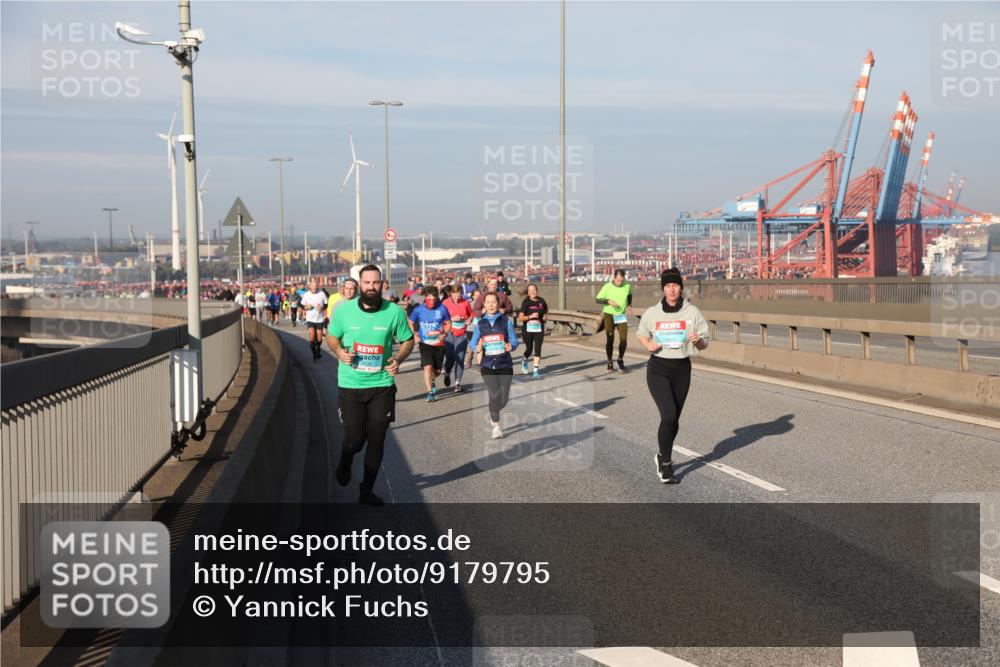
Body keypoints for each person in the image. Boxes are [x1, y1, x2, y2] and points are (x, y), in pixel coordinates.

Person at [327, 265, 414, 506]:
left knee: (377, 441)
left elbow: (407, 340)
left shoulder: (394, 312)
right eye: (367, 283)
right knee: (355, 441)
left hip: (382, 385)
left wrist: (397, 358)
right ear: (359, 284)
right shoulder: (344, 312)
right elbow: (331, 336)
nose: (371, 287)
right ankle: (346, 459)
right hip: (351, 386)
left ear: (382, 284)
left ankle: (366, 491)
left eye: (376, 283)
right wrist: (338, 351)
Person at [636, 268, 710, 484]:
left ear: (680, 288)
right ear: (662, 288)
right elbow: (641, 334)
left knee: (674, 418)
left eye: (675, 285)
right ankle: (666, 464)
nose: (672, 289)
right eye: (668, 286)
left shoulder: (692, 312)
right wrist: (649, 344)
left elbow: (704, 344)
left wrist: (697, 340)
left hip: (682, 369)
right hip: (658, 368)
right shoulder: (653, 312)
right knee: (668, 415)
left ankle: (661, 455)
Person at [470, 292, 519, 439]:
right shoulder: (480, 323)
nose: (491, 304)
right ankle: (496, 426)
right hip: (487, 365)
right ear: (484, 305)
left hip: (505, 364)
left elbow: (515, 341)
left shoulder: (506, 321)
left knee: (503, 399)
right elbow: (473, 342)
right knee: (494, 394)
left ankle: (493, 413)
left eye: (493, 302)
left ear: (498, 304)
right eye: (488, 302)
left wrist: (512, 346)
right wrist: (476, 348)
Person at [408, 285, 452, 402]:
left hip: (439, 343)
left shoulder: (442, 308)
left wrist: (445, 334)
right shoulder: (418, 310)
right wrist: (415, 334)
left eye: (434, 299)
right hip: (425, 343)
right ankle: (429, 392)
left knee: (437, 371)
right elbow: (410, 322)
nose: (431, 301)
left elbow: (448, 323)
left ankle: (433, 380)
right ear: (425, 298)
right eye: (429, 299)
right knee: (427, 367)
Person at [596, 269, 633, 372]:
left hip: (620, 315)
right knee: (610, 338)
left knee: (624, 339)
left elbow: (629, 294)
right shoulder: (607, 286)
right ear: (614, 278)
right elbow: (597, 299)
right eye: (618, 280)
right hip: (609, 314)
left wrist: (629, 305)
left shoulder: (627, 285)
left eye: (621, 280)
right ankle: (609, 362)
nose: (619, 283)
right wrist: (608, 300)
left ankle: (620, 359)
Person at [442, 285, 474, 392]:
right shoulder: (445, 303)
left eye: (459, 296)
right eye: (454, 296)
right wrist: (452, 319)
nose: (457, 298)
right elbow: (440, 318)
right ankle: (447, 373)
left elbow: (472, 313)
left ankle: (457, 382)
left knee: (459, 359)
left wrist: (469, 320)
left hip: (462, 334)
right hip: (449, 334)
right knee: (450, 359)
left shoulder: (465, 302)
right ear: (450, 293)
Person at [517, 283, 548, 378]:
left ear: (537, 290)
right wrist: (530, 316)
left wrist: (545, 317)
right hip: (527, 330)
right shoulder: (526, 302)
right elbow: (520, 317)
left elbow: (546, 312)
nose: (532, 292)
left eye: (534, 290)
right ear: (528, 292)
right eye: (530, 291)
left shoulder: (542, 301)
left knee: (538, 350)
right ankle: (524, 360)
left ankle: (535, 371)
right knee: (529, 350)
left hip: (539, 329)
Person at [301, 279, 328, 362]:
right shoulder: (306, 295)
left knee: (319, 339)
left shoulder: (322, 294)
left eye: (316, 286)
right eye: (313, 286)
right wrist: (306, 307)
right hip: (310, 319)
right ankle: (314, 354)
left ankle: (318, 349)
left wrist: (322, 308)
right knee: (312, 336)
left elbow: (326, 305)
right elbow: (302, 305)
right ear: (310, 286)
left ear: (317, 286)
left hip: (319, 319)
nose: (314, 287)